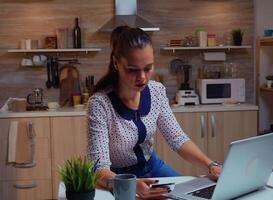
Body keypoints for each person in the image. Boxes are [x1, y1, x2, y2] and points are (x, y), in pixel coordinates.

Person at [87, 26, 221, 199]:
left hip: (153, 168)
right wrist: (130, 185)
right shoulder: (100, 104)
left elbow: (177, 139)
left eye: (148, 68)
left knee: (192, 196)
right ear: (115, 63)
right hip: (118, 178)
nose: (142, 77)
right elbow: (98, 169)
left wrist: (211, 165)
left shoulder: (156, 91)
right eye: (132, 69)